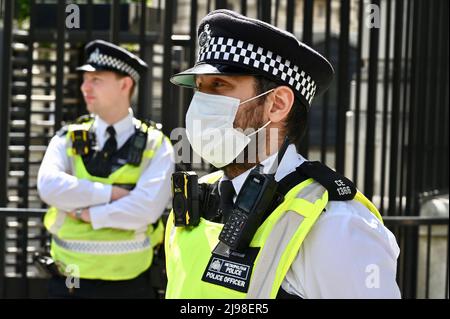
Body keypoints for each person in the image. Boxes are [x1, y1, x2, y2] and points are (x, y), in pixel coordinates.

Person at [164, 10, 401, 299]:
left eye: (219, 85)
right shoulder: (197, 200)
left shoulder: (335, 225)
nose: (200, 103)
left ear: (277, 104)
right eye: (199, 89)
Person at [37, 40, 175, 298]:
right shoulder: (67, 137)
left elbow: (145, 210)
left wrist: (83, 213)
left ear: (125, 85)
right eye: (85, 79)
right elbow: (48, 186)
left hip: (129, 285)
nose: (84, 87)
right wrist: (110, 193)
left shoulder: (157, 145)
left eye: (96, 79)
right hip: (69, 284)